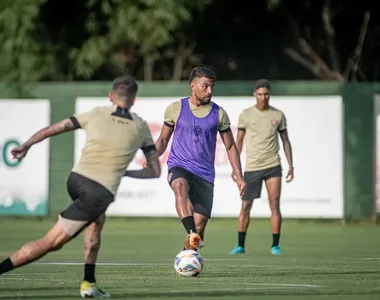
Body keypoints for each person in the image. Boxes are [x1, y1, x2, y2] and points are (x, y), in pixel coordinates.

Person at [0, 75, 161, 298]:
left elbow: (54, 129)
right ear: (134, 100)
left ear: (111, 96)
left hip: (76, 180)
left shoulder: (95, 113)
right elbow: (155, 172)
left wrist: (27, 144)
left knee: (96, 223)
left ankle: (89, 283)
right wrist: (124, 172)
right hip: (98, 192)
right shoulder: (141, 126)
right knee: (51, 243)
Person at [126, 66, 246, 251]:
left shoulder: (219, 113)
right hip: (179, 165)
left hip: (205, 174)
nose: (210, 91)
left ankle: (188, 257)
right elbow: (163, 140)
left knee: (200, 225)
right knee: (180, 187)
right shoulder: (176, 108)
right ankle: (192, 233)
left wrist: (238, 176)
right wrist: (152, 157)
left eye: (212, 87)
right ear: (193, 85)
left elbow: (230, 146)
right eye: (205, 86)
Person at [229, 79, 294, 255]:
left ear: (270, 94)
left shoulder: (278, 115)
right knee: (245, 206)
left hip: (273, 165)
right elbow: (239, 142)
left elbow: (285, 141)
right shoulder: (246, 115)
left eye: (266, 94)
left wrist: (290, 165)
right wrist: (236, 169)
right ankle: (240, 245)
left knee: (274, 204)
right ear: (254, 94)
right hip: (252, 166)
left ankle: (275, 245)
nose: (263, 97)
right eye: (259, 94)